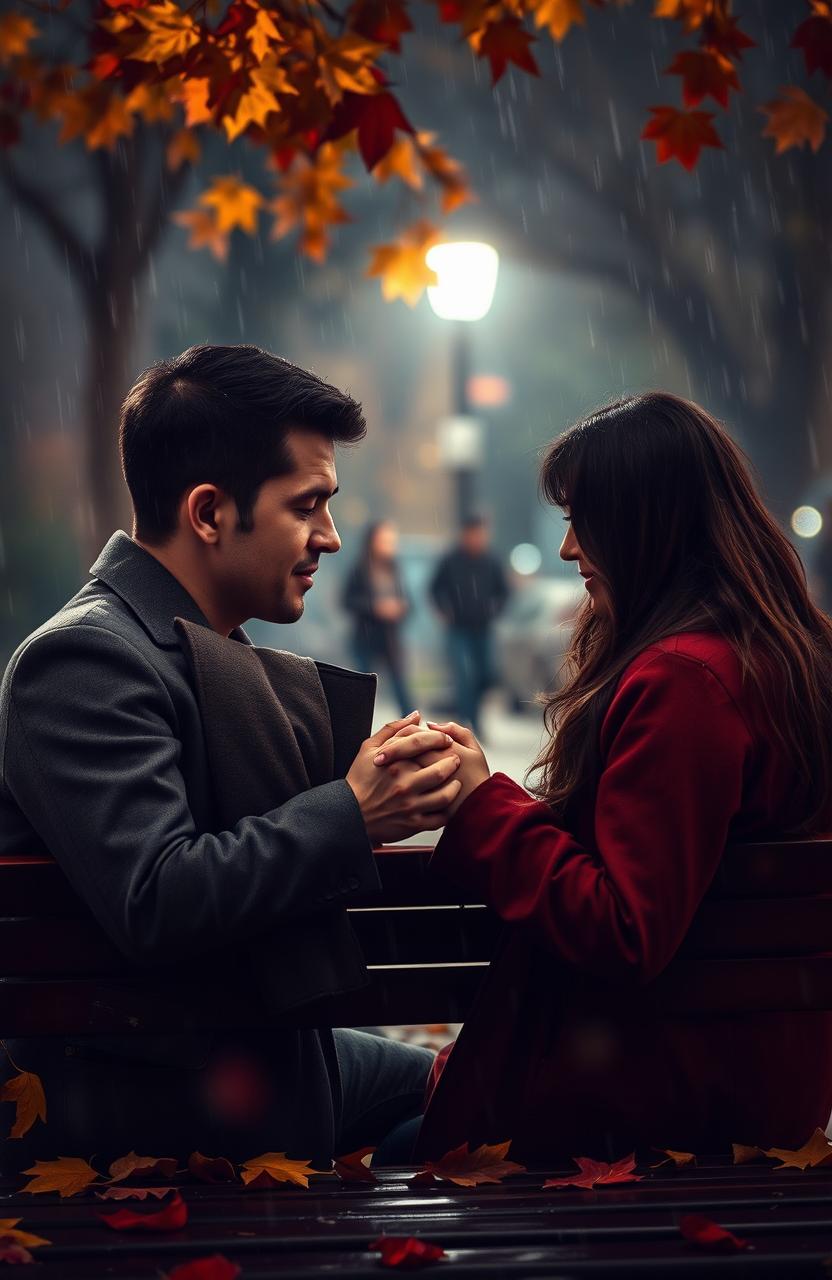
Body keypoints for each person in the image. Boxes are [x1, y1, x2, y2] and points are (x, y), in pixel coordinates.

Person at [0, 344, 464, 1171]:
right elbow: (157, 897)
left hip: (261, 1056)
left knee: (477, 1085)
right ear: (210, 513)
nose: (331, 536)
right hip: (163, 1105)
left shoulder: (201, 646)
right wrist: (352, 812)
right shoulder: (83, 662)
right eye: (308, 505)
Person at [377, 391, 832, 1164]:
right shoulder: (781, 659)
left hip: (646, 1112)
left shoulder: (687, 683)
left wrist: (484, 804)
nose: (566, 551)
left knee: (385, 1153)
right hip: (749, 1086)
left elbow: (623, 929)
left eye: (580, 520)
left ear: (643, 525)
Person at [429, 514, 509, 737]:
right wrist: (444, 611)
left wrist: (495, 610)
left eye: (480, 534)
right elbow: (434, 588)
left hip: (483, 628)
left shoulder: (491, 560)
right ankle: (469, 722)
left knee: (485, 675)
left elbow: (503, 592)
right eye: (472, 534)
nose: (476, 539)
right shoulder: (451, 560)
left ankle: (471, 713)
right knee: (463, 676)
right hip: (458, 629)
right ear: (464, 535)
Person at [342, 520, 414, 716]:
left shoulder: (394, 568)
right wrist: (375, 608)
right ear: (373, 541)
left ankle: (412, 726)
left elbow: (408, 600)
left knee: (401, 687)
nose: (390, 544)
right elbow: (347, 601)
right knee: (363, 688)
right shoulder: (360, 568)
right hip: (365, 637)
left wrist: (400, 607)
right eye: (385, 539)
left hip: (390, 638)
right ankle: (356, 730)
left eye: (392, 540)